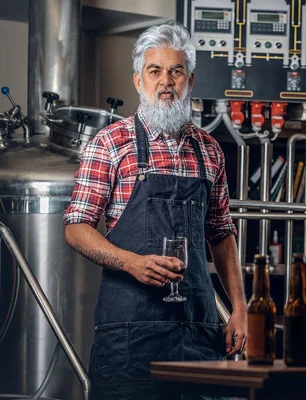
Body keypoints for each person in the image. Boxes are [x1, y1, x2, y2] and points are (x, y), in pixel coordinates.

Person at [63, 22, 247, 399]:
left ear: (190, 81)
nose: (166, 81)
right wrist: (131, 261)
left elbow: (221, 232)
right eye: (155, 71)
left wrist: (240, 307)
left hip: (197, 331)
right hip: (131, 337)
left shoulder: (209, 150)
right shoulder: (111, 144)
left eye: (176, 71)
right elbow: (76, 228)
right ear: (138, 81)